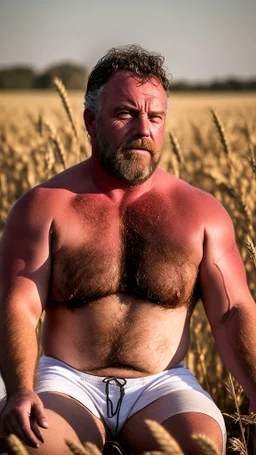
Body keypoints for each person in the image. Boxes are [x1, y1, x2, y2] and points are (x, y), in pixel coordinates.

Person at [0, 45, 255, 455]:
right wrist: (20, 390)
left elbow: (232, 311)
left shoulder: (202, 214)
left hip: (163, 384)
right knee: (31, 443)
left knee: (199, 447)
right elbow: (18, 305)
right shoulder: (44, 206)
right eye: (125, 114)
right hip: (66, 381)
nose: (144, 129)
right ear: (90, 121)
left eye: (155, 117)